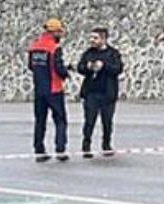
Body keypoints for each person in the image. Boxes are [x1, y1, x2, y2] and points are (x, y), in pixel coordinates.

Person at [28, 18, 71, 161]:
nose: (61, 35)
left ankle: (39, 150)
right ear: (54, 32)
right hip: (54, 89)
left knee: (40, 121)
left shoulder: (34, 47)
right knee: (60, 120)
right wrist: (66, 73)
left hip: (39, 90)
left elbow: (30, 66)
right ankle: (60, 149)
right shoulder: (54, 48)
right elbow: (58, 69)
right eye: (60, 32)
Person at [75, 28, 124, 157]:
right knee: (89, 121)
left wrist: (104, 65)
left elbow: (118, 69)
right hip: (91, 92)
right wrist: (88, 67)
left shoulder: (113, 53)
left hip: (107, 93)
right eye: (91, 38)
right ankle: (86, 146)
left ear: (103, 39)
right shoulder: (88, 53)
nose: (92, 40)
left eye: (95, 38)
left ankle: (106, 145)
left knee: (107, 121)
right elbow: (80, 67)